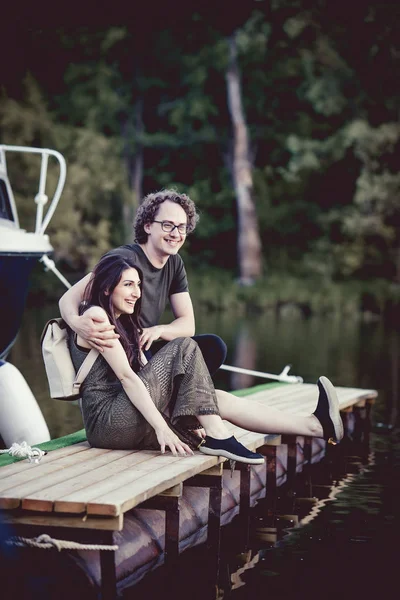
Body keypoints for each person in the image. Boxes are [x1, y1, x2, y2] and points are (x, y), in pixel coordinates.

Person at [68, 254, 344, 464]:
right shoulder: (95, 316)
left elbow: (141, 370)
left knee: (216, 400)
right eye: (128, 285)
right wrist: (163, 428)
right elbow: (129, 378)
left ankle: (314, 426)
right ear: (106, 289)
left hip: (126, 416)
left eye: (138, 285)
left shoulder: (125, 322)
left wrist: (185, 417)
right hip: (107, 422)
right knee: (183, 347)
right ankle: (219, 436)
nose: (137, 292)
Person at [60, 189, 226, 376]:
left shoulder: (174, 262)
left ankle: (172, 399)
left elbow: (188, 325)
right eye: (167, 225)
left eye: (181, 227)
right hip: (118, 354)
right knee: (144, 353)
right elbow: (68, 298)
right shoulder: (124, 259)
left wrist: (158, 330)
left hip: (145, 345)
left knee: (213, 347)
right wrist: (77, 323)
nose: (175, 233)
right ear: (148, 226)